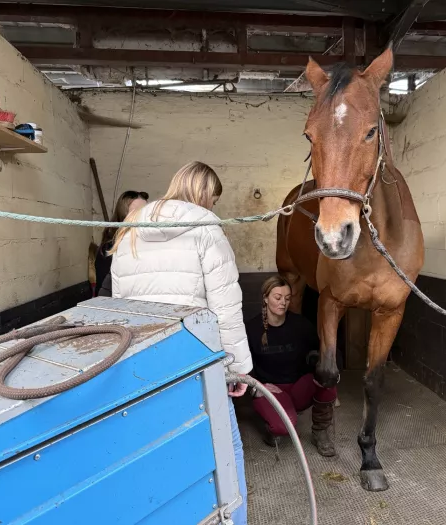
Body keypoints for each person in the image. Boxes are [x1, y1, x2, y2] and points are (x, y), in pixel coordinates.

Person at [109, 162, 251, 524]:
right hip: (197, 362)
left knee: (164, 452)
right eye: (214, 197)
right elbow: (226, 309)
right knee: (227, 448)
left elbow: (121, 308)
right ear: (204, 193)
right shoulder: (207, 229)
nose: (214, 205)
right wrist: (236, 370)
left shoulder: (131, 229)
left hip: (147, 366)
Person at [244, 275, 337, 457]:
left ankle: (320, 431)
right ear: (265, 298)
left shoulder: (300, 325)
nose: (283, 303)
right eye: (277, 297)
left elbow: (319, 351)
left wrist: (318, 366)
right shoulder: (252, 329)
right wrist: (257, 386)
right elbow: (241, 366)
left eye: (287, 298)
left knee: (327, 377)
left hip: (298, 387)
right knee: (284, 428)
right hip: (271, 391)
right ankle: (272, 426)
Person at [95, 190, 149, 297]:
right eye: (137, 213)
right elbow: (105, 291)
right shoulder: (110, 248)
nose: (144, 217)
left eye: (147, 211)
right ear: (124, 215)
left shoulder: (149, 243)